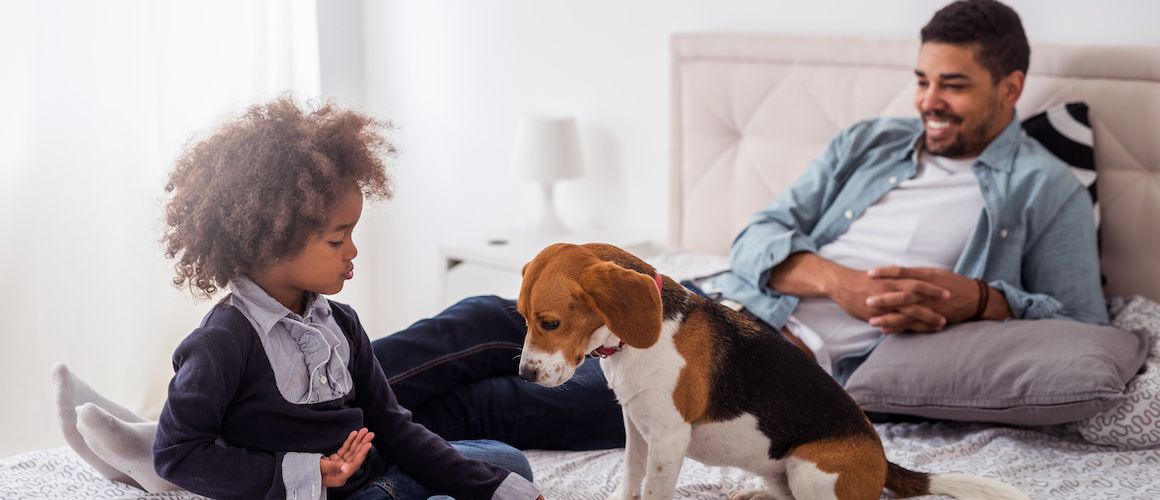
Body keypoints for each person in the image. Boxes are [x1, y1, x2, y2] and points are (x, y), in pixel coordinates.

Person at [53, 97, 540, 500]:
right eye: (337, 239)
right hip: (310, 492)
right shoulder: (223, 342)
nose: (353, 251)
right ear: (272, 238)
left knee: (508, 462)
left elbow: (391, 423)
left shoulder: (341, 324)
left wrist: (495, 488)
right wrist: (309, 475)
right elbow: (179, 453)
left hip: (375, 473)